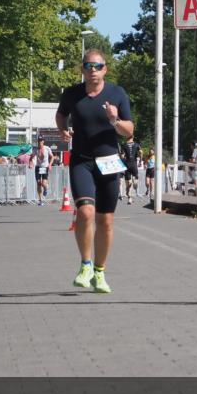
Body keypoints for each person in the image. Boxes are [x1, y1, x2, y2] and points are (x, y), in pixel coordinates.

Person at [56, 49, 133, 293]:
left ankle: (100, 272)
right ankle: (86, 265)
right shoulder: (72, 94)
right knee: (86, 212)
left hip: (109, 161)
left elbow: (129, 130)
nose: (93, 70)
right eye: (88, 66)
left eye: (97, 66)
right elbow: (61, 114)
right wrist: (62, 129)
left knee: (106, 220)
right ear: (82, 69)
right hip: (82, 160)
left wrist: (114, 120)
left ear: (105, 69)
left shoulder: (117, 93)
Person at [33, 137, 54, 205]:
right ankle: (40, 199)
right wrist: (30, 163)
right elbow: (31, 157)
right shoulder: (35, 149)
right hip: (38, 167)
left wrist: (50, 165)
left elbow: (52, 157)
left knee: (44, 184)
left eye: (41, 141)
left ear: (43, 141)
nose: (40, 142)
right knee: (38, 183)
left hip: (45, 167)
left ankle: (45, 189)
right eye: (39, 141)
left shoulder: (47, 148)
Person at [122, 135, 142, 204]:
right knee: (135, 178)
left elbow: (122, 155)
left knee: (128, 183)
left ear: (126, 137)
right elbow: (141, 152)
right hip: (134, 164)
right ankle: (135, 182)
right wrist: (140, 160)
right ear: (133, 137)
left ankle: (129, 198)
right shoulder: (137, 144)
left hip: (127, 165)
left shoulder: (124, 145)